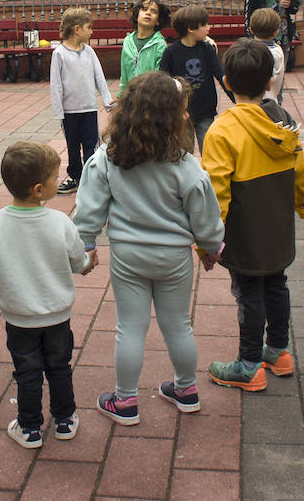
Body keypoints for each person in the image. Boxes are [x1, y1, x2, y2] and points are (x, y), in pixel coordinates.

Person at [74, 72, 225, 425]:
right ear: (169, 118)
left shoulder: (107, 158)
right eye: (183, 111)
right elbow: (204, 216)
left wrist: (86, 246)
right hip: (174, 258)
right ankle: (186, 390)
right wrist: (212, 248)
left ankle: (125, 401)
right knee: (178, 326)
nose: (187, 116)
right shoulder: (186, 166)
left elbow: (89, 208)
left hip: (128, 257)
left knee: (130, 327)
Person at [0, 142, 92, 448]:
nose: (58, 180)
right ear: (38, 189)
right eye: (54, 176)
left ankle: (30, 427)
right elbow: (77, 260)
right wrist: (87, 264)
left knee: (27, 372)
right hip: (57, 315)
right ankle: (65, 420)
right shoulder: (60, 222)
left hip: (19, 318)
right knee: (59, 367)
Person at [202, 40, 304, 391]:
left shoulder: (221, 129)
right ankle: (278, 352)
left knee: (249, 291)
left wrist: (208, 239)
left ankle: (249, 364)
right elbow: (299, 167)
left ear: (227, 83)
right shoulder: (283, 119)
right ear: (269, 82)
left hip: (245, 231)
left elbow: (216, 192)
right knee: (277, 284)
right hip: (279, 225)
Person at [50, 7, 114, 194]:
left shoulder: (90, 52)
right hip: (69, 112)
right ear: (77, 29)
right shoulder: (59, 54)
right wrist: (58, 111)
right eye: (89, 27)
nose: (92, 31)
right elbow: (56, 84)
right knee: (72, 146)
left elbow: (99, 78)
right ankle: (75, 176)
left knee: (91, 144)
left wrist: (107, 100)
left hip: (89, 109)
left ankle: (92, 177)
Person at [159, 5, 232, 152]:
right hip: (182, 115)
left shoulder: (207, 49)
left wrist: (237, 99)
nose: (208, 28)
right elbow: (164, 83)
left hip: (206, 112)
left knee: (210, 152)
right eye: (204, 24)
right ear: (191, 29)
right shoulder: (171, 52)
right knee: (184, 154)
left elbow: (221, 75)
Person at [118, 0, 169, 90]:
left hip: (149, 96)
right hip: (130, 94)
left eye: (154, 11)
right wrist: (121, 93)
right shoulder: (128, 41)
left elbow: (160, 76)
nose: (148, 13)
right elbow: (124, 71)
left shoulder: (160, 44)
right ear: (137, 16)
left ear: (158, 21)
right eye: (144, 9)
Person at [246, 7, 287, 105]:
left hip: (256, 103)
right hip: (274, 101)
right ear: (276, 32)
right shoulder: (278, 50)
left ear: (251, 30)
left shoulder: (254, 53)